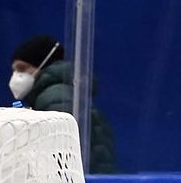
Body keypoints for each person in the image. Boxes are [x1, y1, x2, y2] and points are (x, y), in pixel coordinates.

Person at [8, 34, 117, 173]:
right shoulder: (59, 92)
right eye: (15, 70)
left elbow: (62, 155)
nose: (16, 76)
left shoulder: (55, 97)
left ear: (42, 65)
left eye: (22, 68)